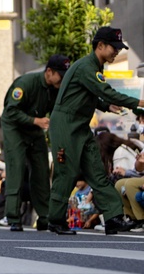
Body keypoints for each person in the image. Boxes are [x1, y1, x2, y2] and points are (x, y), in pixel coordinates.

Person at [47, 27, 144, 235]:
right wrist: (139, 103)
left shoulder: (94, 67)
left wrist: (105, 106)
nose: (116, 52)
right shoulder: (87, 67)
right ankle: (55, 220)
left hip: (80, 126)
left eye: (119, 48)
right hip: (65, 125)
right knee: (67, 173)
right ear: (100, 46)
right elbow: (105, 91)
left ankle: (113, 218)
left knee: (97, 171)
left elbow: (89, 94)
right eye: (114, 48)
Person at [1, 54, 69, 231]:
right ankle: (13, 217)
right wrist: (35, 121)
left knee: (41, 170)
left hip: (34, 130)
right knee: (16, 168)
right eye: (60, 75)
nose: (62, 79)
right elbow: (10, 112)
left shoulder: (55, 88)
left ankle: (45, 216)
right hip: (15, 128)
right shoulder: (25, 84)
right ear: (49, 72)